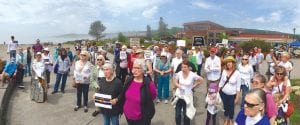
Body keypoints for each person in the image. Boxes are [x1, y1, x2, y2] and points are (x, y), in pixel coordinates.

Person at [120, 59, 157, 125]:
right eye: (134, 67)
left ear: (143, 70)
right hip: (128, 115)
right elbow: (123, 94)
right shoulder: (129, 80)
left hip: (142, 118)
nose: (135, 70)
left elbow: (153, 97)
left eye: (138, 68)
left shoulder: (148, 84)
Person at [219, 56, 241, 125]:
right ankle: (226, 119)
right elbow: (221, 83)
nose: (228, 63)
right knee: (225, 107)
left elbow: (238, 86)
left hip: (232, 95)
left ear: (233, 63)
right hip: (224, 93)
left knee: (231, 108)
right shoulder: (224, 71)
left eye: (230, 62)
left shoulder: (237, 73)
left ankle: (231, 120)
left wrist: (237, 97)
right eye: (227, 62)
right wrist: (217, 92)